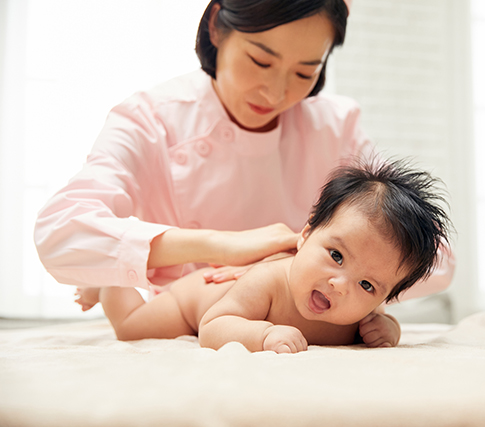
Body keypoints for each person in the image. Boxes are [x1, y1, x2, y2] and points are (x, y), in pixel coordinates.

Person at [34, 0, 455, 304]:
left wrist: (295, 264)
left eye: (305, 72)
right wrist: (220, 246)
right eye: (260, 61)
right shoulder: (150, 118)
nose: (275, 93)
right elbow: (59, 234)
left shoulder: (334, 124)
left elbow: (434, 260)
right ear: (217, 26)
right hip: (185, 320)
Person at [91, 160, 451, 353]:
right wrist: (261, 335)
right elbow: (213, 327)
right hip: (196, 300)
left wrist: (388, 329)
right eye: (336, 256)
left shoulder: (364, 309)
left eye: (368, 284)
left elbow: (382, 320)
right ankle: (106, 279)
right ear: (307, 234)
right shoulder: (269, 282)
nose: (340, 285)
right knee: (131, 328)